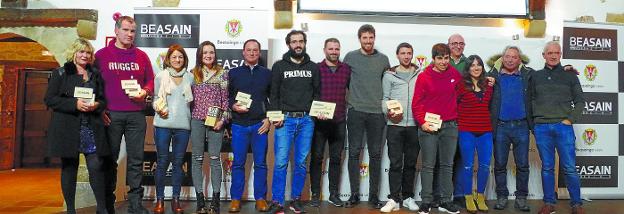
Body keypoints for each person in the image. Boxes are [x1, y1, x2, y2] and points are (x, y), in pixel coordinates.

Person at [95, 15, 154, 214]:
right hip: (111, 115)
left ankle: (135, 203)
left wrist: (145, 92)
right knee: (110, 159)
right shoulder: (102, 55)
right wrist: (100, 109)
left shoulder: (141, 56)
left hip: (136, 115)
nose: (130, 34)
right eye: (126, 30)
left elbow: (150, 81)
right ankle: (107, 203)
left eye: (133, 31)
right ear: (117, 31)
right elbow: (93, 85)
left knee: (136, 160)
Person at [45, 38, 111, 214]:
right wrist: (74, 104)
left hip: (91, 127)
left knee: (96, 166)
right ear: (74, 53)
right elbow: (50, 99)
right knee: (69, 168)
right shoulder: (61, 73)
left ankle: (102, 208)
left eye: (88, 52)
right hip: (68, 128)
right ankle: (71, 210)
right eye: (81, 51)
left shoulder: (95, 74)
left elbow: (103, 100)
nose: (85, 55)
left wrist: (97, 105)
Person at [268, 30, 321, 214]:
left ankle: (296, 199)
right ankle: (277, 201)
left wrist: (316, 114)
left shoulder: (313, 67)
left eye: (300, 41)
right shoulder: (279, 66)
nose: (297, 44)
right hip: (285, 120)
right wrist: (275, 116)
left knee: (300, 163)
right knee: (281, 162)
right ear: (288, 44)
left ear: (305, 43)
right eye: (294, 42)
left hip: (307, 120)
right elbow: (273, 94)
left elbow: (317, 94)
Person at [530, 41, 585, 214]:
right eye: (550, 53)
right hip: (542, 128)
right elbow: (529, 100)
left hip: (563, 127)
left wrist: (571, 120)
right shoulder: (535, 76)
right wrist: (534, 124)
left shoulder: (570, 75)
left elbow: (580, 101)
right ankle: (549, 203)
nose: (554, 56)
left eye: (557, 53)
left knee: (569, 167)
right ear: (544, 55)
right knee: (547, 167)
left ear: (560, 55)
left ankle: (576, 204)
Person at [343, 24, 390, 209]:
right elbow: (345, 82)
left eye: (371, 38)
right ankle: (354, 194)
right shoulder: (350, 57)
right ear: (359, 39)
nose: (368, 41)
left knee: (376, 155)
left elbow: (387, 84)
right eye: (365, 38)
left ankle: (373, 196)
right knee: (354, 153)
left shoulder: (383, 59)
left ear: (374, 38)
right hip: (355, 111)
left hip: (377, 113)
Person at [412, 43, 461, 214]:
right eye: (439, 58)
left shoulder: (454, 74)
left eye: (446, 58)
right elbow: (416, 103)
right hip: (429, 126)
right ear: (433, 59)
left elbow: (464, 92)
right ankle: (426, 201)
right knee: (428, 165)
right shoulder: (424, 76)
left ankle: (446, 200)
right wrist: (421, 122)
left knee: (447, 165)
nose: (443, 61)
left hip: (450, 126)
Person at [227, 39, 272, 213]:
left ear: (259, 53)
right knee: (238, 163)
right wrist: (233, 106)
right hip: (238, 124)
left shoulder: (267, 74)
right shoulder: (233, 73)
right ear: (243, 52)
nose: (252, 53)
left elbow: (273, 99)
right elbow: (228, 96)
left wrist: (269, 119)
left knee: (260, 163)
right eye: (249, 50)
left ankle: (260, 198)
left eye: (255, 50)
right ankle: (235, 199)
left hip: (259, 124)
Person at [489, 46, 533, 212]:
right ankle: (501, 196)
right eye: (507, 56)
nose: (510, 60)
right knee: (499, 164)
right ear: (502, 57)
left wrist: (565, 68)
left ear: (519, 59)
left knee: (522, 165)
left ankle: (521, 197)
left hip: (522, 126)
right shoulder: (491, 76)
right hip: (500, 127)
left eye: (514, 57)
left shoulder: (528, 75)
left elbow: (547, 75)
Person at [151, 44, 193, 214]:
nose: (177, 60)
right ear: (168, 59)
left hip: (183, 126)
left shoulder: (190, 78)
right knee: (162, 162)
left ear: (184, 59)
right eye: (174, 57)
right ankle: (160, 199)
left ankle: (176, 199)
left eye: (180, 57)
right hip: (162, 124)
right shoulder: (160, 76)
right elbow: (155, 98)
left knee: (177, 163)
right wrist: (157, 106)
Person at [308, 38, 350, 208]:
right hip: (319, 122)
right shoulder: (316, 68)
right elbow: (309, 92)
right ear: (324, 50)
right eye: (331, 49)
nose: (334, 51)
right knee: (317, 158)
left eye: (337, 49)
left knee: (335, 159)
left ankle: (334, 194)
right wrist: (316, 112)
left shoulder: (346, 69)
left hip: (339, 121)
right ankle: (315, 194)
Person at [380, 42, 421, 213]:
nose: (406, 56)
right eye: (403, 53)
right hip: (394, 126)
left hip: (414, 125)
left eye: (409, 53)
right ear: (397, 55)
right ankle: (394, 199)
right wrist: (389, 113)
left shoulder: (420, 74)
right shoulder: (389, 75)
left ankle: (408, 197)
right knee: (395, 163)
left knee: (411, 163)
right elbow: (384, 99)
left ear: (412, 55)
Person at [189, 41, 229, 213]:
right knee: (197, 159)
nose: (208, 55)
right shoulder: (192, 74)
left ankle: (216, 200)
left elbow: (226, 101)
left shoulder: (223, 73)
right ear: (200, 54)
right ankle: (200, 200)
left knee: (214, 159)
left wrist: (223, 120)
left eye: (211, 52)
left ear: (215, 54)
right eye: (205, 52)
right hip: (197, 120)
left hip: (216, 121)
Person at [456, 55, 493, 213]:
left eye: (479, 65)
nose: (476, 68)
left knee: (485, 166)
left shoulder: (488, 85)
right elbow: (454, 105)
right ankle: (468, 196)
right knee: (467, 166)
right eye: (472, 65)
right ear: (468, 68)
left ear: (482, 68)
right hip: (466, 131)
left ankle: (480, 196)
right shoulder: (461, 85)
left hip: (485, 131)